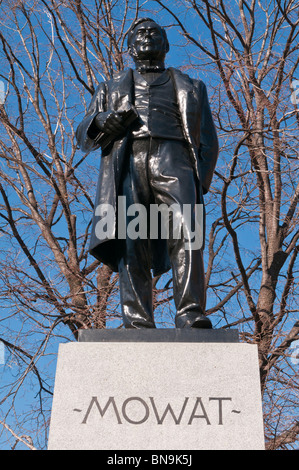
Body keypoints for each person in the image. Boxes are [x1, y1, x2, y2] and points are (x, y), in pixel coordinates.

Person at [76, 18, 219, 329]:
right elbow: (82, 133)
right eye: (140, 32)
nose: (148, 36)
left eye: (155, 32)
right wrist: (102, 120)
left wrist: (199, 181)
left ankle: (190, 312)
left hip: (176, 158)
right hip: (128, 159)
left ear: (166, 46)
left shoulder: (193, 87)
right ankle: (137, 320)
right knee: (132, 237)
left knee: (187, 232)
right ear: (130, 47)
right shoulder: (110, 87)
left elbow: (208, 138)